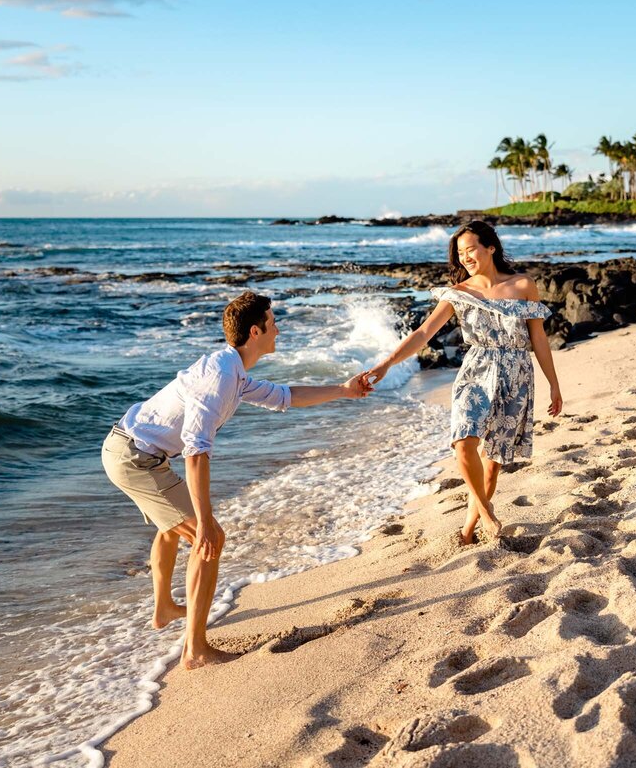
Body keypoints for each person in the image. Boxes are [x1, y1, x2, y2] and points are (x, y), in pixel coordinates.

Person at [102, 291, 373, 669]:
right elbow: (196, 451)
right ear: (255, 331)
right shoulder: (220, 377)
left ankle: (164, 607)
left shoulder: (234, 371)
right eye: (273, 322)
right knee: (207, 537)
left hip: (136, 452)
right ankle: (196, 650)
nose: (278, 329)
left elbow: (285, 396)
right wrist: (207, 520)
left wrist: (344, 390)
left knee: (172, 528)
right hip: (135, 459)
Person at [365, 221, 562, 544]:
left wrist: (553, 384)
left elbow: (538, 337)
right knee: (463, 441)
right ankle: (486, 511)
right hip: (476, 369)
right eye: (460, 253)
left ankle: (468, 531)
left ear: (491, 248)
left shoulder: (523, 285)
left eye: (471, 249)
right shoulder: (459, 293)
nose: (466, 257)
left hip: (516, 374)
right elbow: (423, 333)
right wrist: (386, 363)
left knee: (493, 462)